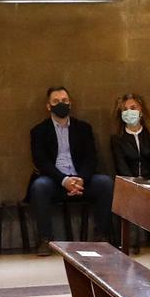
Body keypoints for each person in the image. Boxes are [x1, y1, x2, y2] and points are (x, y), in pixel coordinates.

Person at [28, 86, 114, 253]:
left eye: (65, 101)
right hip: (54, 180)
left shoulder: (83, 128)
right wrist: (64, 180)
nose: (61, 104)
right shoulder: (39, 131)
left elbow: (91, 158)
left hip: (81, 179)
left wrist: (81, 178)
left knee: (105, 183)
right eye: (56, 101)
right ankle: (45, 239)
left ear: (70, 103)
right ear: (48, 106)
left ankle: (102, 236)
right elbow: (41, 162)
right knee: (39, 186)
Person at [110, 93, 150, 187]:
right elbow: (121, 166)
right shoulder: (117, 138)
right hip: (130, 184)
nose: (129, 112)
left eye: (133, 108)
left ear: (141, 111)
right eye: (125, 109)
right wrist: (135, 185)